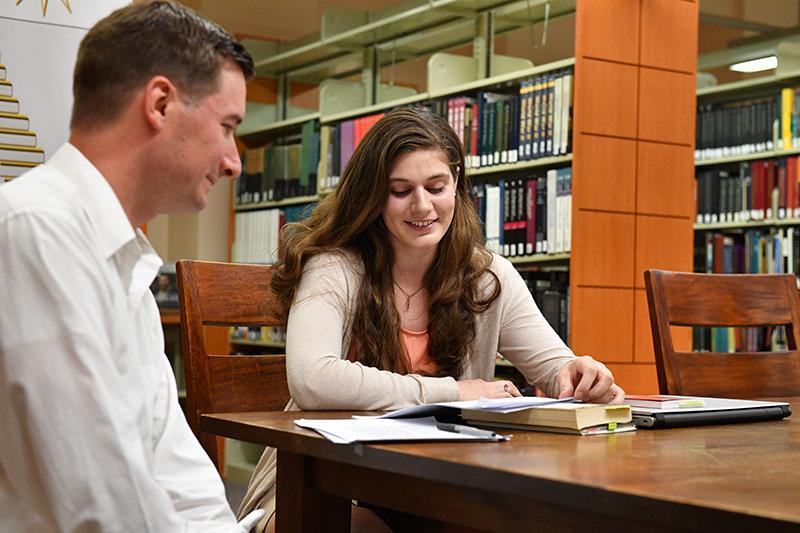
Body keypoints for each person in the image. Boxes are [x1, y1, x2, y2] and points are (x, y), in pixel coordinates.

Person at [238, 107, 624, 532]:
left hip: (438, 487)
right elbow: (314, 379)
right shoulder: (336, 267)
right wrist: (455, 391)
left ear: (456, 182)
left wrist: (581, 374)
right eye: (400, 191)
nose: (422, 206)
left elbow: (554, 369)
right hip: (321, 487)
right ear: (372, 195)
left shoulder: (486, 275)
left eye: (436, 186)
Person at [0, 2, 263, 531]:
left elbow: (174, 467)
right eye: (228, 126)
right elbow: (97, 501)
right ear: (161, 103)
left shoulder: (127, 266)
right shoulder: (35, 231)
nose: (234, 161)